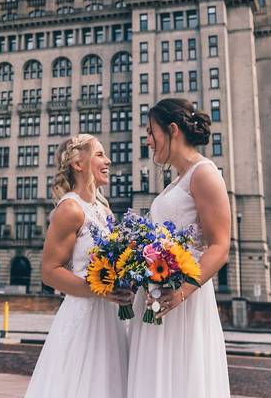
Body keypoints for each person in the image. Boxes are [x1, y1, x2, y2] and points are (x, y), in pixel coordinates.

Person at [126, 98, 231, 397]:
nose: (147, 141)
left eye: (150, 132)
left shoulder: (204, 173)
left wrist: (180, 292)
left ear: (172, 130)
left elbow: (220, 246)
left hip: (184, 300)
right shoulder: (176, 182)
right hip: (157, 296)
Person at [24, 134, 132, 398]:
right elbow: (50, 272)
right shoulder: (70, 209)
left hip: (111, 319)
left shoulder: (105, 212)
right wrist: (98, 290)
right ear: (77, 163)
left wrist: (127, 283)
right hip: (83, 319)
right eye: (99, 154)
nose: (107, 161)